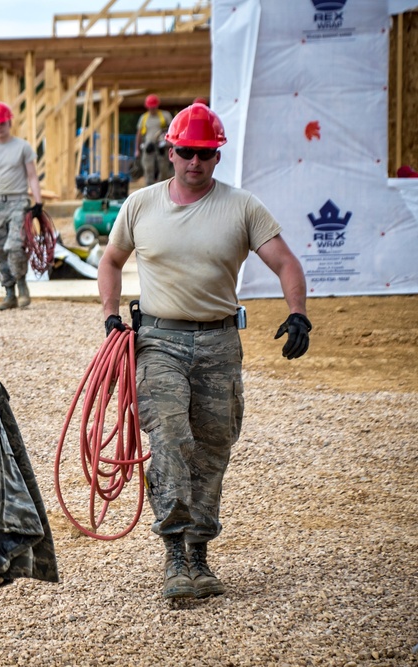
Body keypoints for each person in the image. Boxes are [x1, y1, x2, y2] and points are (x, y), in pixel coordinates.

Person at [98, 102, 311, 600]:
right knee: (171, 438)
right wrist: (110, 316)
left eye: (206, 154)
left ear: (218, 158)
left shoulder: (242, 207)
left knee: (213, 449)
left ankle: (199, 553)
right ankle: (174, 552)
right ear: (170, 152)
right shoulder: (141, 205)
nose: (195, 162)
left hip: (219, 343)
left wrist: (298, 312)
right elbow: (110, 262)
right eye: (187, 152)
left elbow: (286, 263)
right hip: (158, 341)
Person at [0, 101, 44, 310]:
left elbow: (32, 176)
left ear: (9, 122)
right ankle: (9, 292)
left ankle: (22, 286)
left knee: (14, 246)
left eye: (2, 124)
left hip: (18, 202)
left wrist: (38, 202)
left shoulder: (22, 147)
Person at [135, 94, 173, 186]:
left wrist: (169, 142)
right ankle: (149, 187)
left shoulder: (165, 115)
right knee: (148, 168)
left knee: (163, 168)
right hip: (149, 146)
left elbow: (172, 129)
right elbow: (139, 134)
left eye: (153, 107)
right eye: (150, 107)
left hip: (162, 146)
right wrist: (137, 150)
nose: (152, 109)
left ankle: (161, 186)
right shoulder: (144, 118)